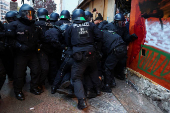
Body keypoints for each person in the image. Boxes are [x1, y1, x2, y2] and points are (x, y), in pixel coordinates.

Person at [65, 9, 103, 110]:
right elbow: (99, 36)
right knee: (93, 70)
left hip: (79, 55)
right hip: (92, 53)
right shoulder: (91, 25)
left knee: (76, 77)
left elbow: (67, 41)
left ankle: (82, 101)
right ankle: (98, 89)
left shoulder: (71, 27)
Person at [8, 4, 42, 100]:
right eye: (28, 14)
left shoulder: (34, 25)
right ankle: (18, 91)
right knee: (19, 74)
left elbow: (39, 37)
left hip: (32, 53)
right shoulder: (14, 25)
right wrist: (19, 46)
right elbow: (10, 40)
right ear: (22, 14)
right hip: (20, 54)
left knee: (36, 70)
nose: (30, 16)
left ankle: (34, 87)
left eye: (31, 14)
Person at [102, 13, 138, 80]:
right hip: (109, 47)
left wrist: (131, 37)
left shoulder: (123, 28)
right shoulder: (108, 26)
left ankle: (118, 74)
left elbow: (126, 37)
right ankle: (109, 79)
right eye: (120, 22)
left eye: (123, 22)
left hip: (119, 47)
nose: (121, 24)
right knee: (109, 64)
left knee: (122, 60)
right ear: (115, 21)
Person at [35, 8, 50, 89]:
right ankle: (40, 82)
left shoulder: (34, 23)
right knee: (44, 67)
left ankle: (37, 83)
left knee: (36, 68)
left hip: (35, 48)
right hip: (45, 48)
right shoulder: (48, 24)